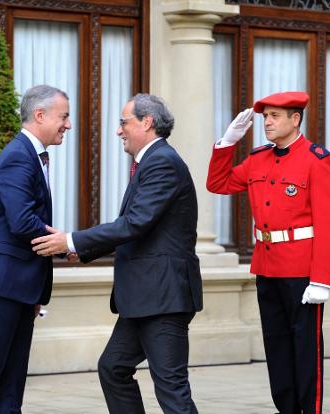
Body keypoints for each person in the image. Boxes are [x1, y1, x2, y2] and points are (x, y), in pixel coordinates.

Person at [31, 93, 202, 414]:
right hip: (144, 298)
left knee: (171, 389)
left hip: (163, 297)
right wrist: (81, 251)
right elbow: (136, 228)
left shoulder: (163, 162)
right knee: (114, 368)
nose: (119, 130)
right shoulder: (151, 162)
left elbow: (134, 224)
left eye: (124, 122)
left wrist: (72, 241)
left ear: (147, 123)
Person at [206, 91, 330, 414]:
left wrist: (321, 279)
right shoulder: (258, 158)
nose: (267, 122)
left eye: (275, 116)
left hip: (302, 272)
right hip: (267, 268)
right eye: (265, 116)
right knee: (278, 351)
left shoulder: (317, 160)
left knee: (305, 353)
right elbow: (218, 183)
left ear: (295, 120)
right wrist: (227, 143)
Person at [0, 84, 71, 414]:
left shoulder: (28, 155)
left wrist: (65, 245)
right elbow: (21, 222)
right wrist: (65, 245)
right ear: (40, 115)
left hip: (19, 286)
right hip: (0, 285)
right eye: (64, 116)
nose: (68, 125)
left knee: (12, 377)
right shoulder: (18, 157)